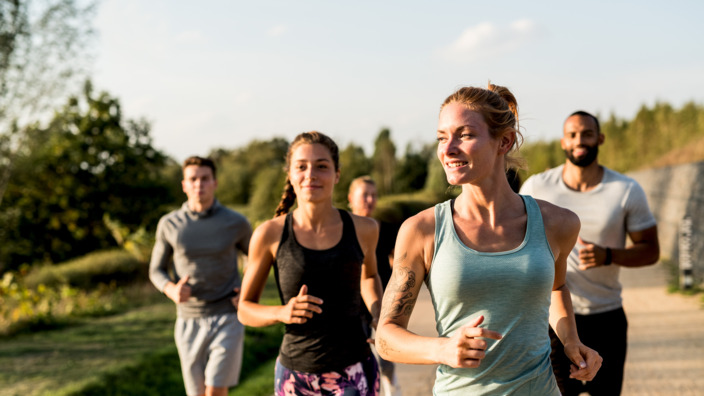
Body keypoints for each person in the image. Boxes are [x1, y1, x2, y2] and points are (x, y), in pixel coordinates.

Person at [375, 83, 602, 395]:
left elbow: (556, 287)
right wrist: (442, 349)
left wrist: (571, 341)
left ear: (504, 141)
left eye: (464, 135)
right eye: (442, 137)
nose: (448, 148)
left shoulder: (557, 224)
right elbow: (387, 338)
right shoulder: (422, 230)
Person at [519, 110, 660, 395]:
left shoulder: (625, 190)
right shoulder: (537, 187)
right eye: (572, 135)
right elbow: (515, 241)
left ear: (600, 138)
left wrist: (608, 255)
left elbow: (651, 251)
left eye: (587, 133)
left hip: (606, 317)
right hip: (552, 321)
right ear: (563, 142)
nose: (579, 140)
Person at [238, 131, 384, 396]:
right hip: (295, 376)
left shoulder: (365, 229)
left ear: (337, 174)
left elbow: (369, 277)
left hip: (354, 371)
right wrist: (281, 312)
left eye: (322, 166)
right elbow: (244, 309)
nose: (311, 174)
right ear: (290, 174)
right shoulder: (269, 234)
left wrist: (377, 312)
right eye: (301, 166)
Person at [149, 156, 252, 396]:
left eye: (205, 179)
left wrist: (248, 291)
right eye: (193, 179)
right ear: (184, 185)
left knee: (215, 390)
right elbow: (156, 270)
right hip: (188, 320)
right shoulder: (169, 224)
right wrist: (171, 289)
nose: (199, 185)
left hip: (228, 315)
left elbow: (257, 259)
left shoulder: (236, 222)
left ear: (215, 182)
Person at [347, 176, 401, 396]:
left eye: (374, 195)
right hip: (352, 304)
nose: (370, 200)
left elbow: (400, 259)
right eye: (364, 195)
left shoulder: (385, 229)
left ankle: (392, 387)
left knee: (387, 354)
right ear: (351, 198)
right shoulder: (342, 230)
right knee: (358, 356)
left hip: (383, 300)